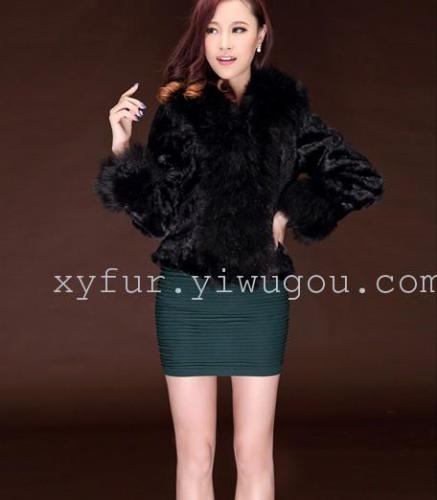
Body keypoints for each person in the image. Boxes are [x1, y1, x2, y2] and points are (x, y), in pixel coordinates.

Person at [92, 0, 384, 498]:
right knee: (196, 454)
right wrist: (123, 147)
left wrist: (287, 211)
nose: (224, 43)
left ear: (260, 35)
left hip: (259, 298)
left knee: (252, 453)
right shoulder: (180, 110)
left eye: (238, 28)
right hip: (187, 299)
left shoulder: (287, 112)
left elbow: (361, 178)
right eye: (212, 30)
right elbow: (157, 217)